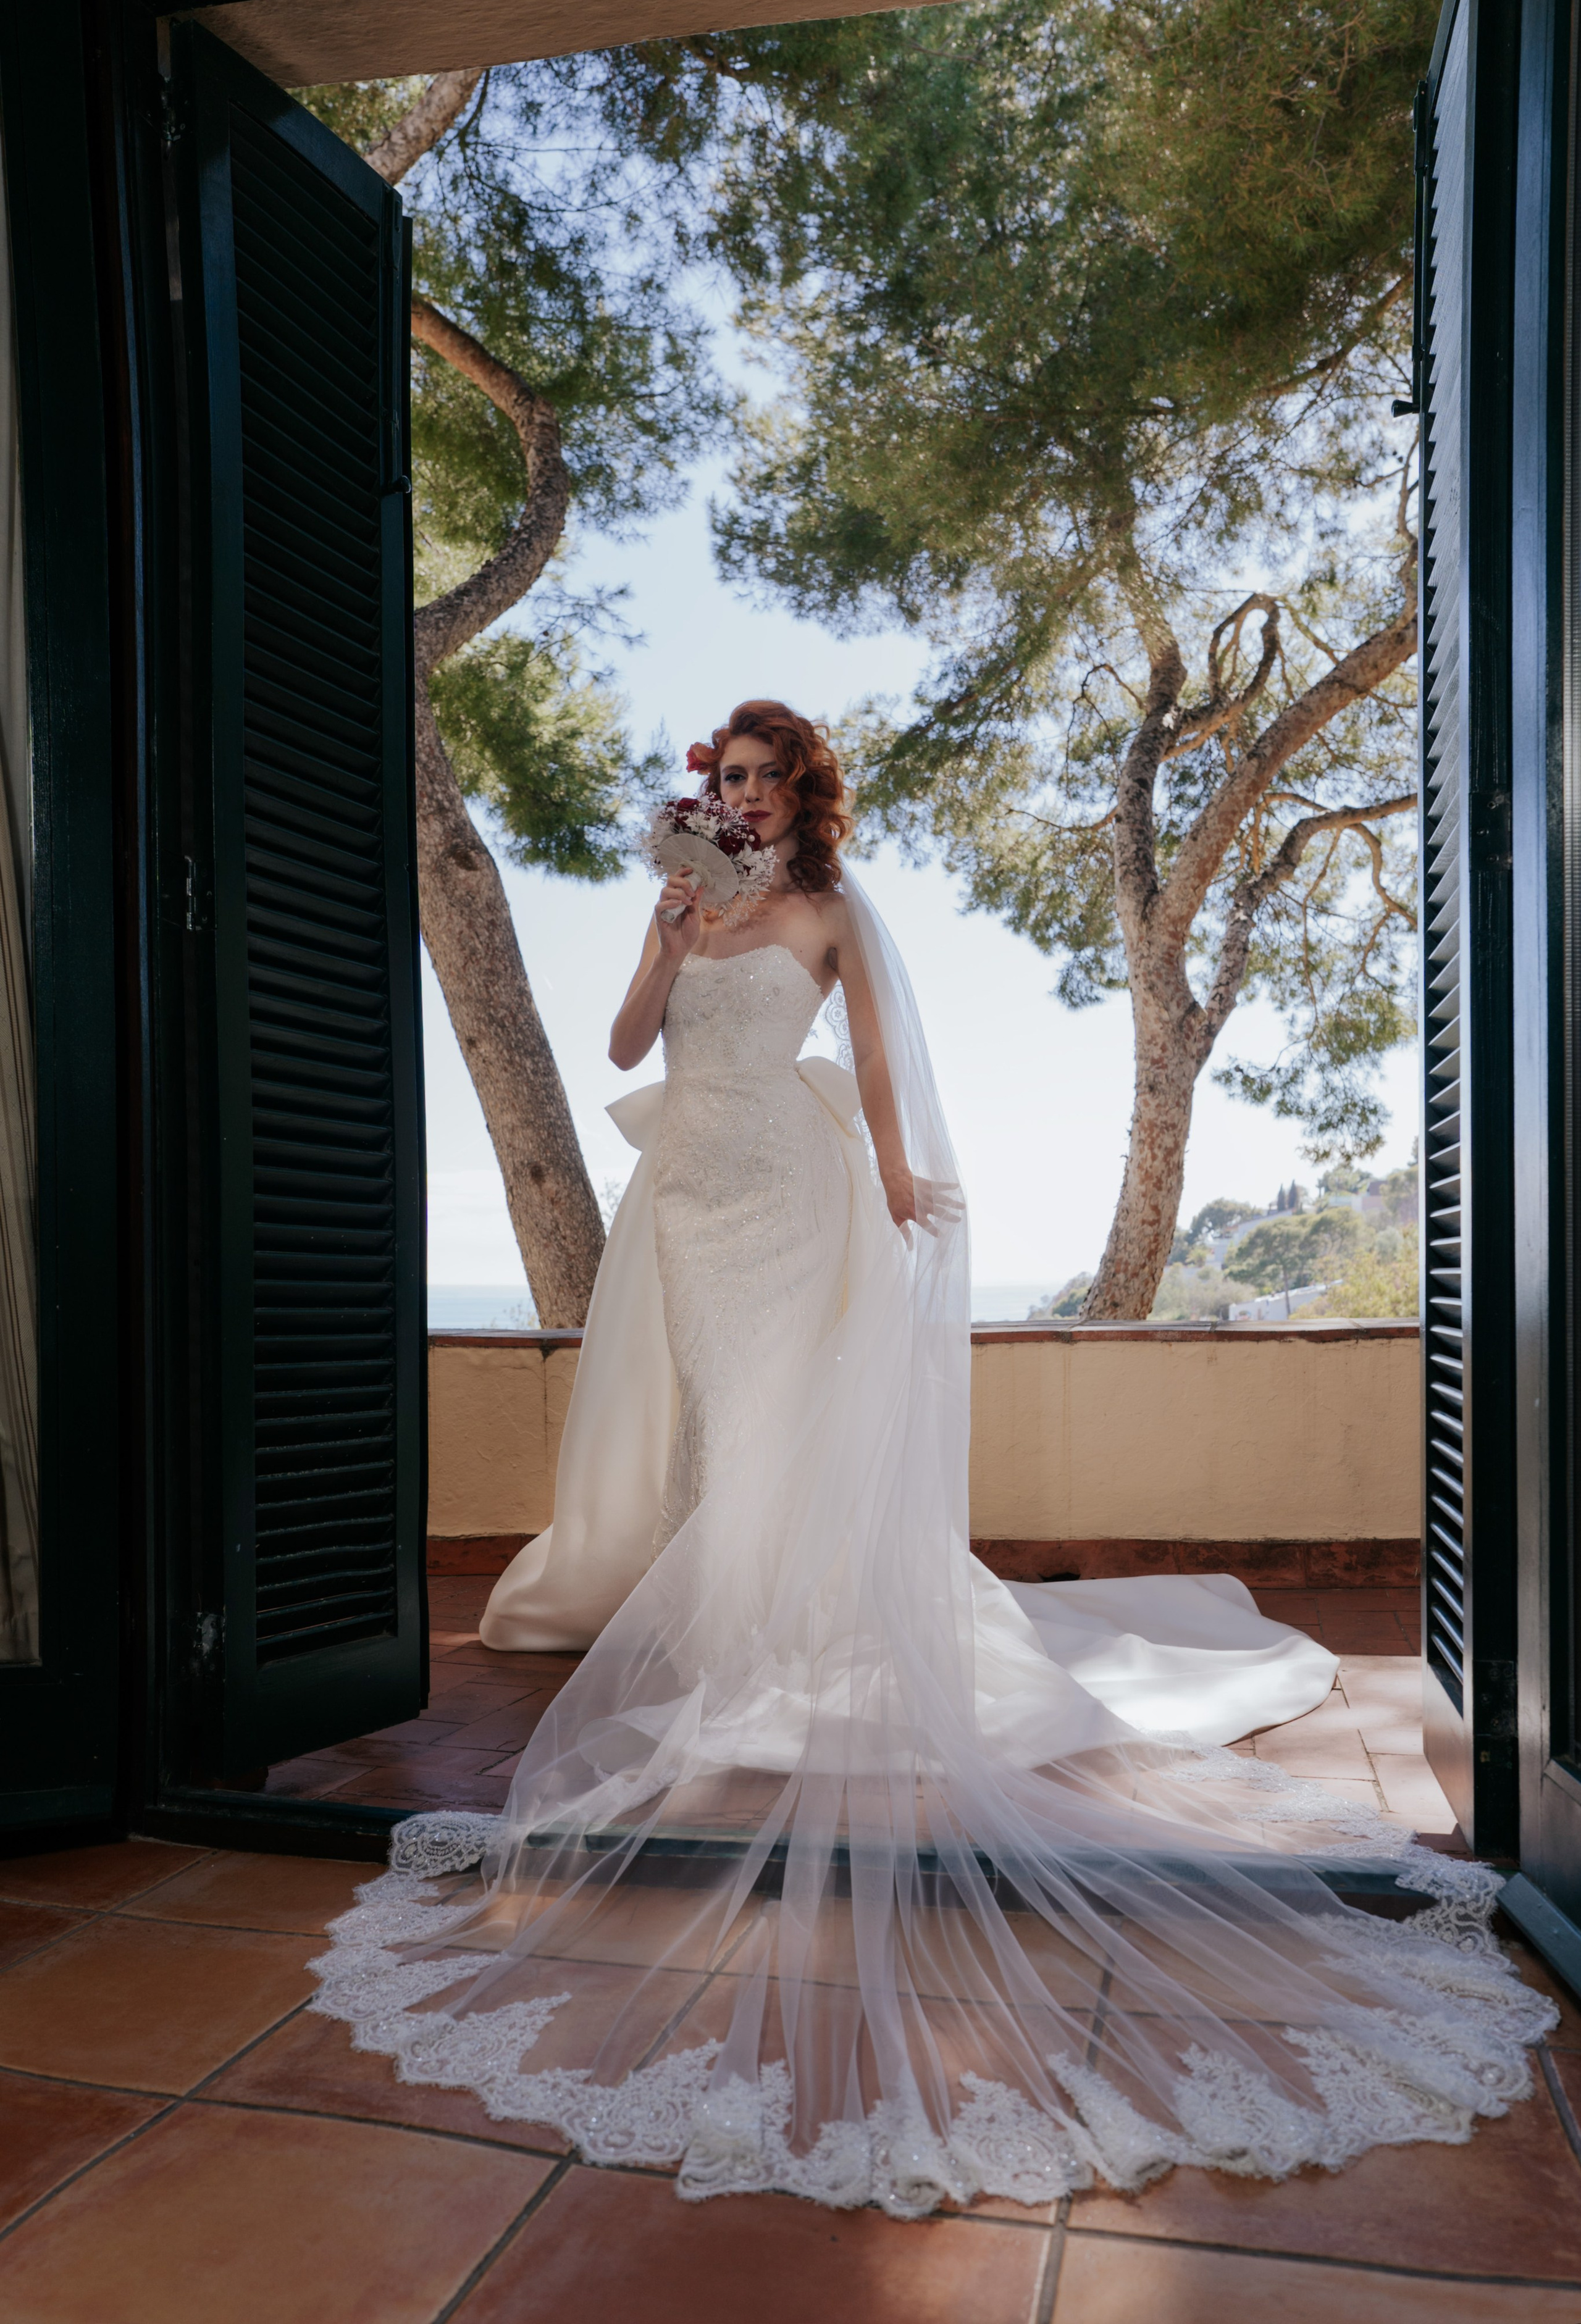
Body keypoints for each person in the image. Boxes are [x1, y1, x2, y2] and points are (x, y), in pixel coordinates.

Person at [313, 701, 1551, 2218]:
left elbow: (882, 1062)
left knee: (775, 1428)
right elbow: (628, 1047)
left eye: (768, 781)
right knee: (721, 1439)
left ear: (799, 795)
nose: (747, 799)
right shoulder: (691, 906)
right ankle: (742, 1645)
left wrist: (900, 1182)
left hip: (789, 1191)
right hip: (688, 1209)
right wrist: (658, 928)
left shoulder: (834, 914)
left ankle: (792, 1646)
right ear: (711, 798)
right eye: (731, 780)